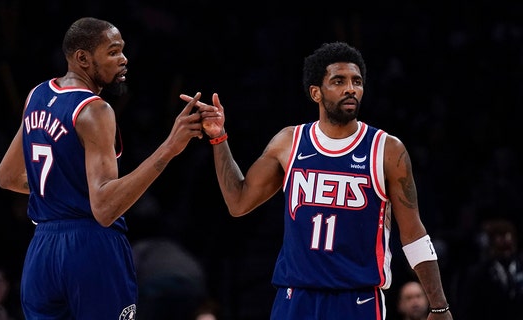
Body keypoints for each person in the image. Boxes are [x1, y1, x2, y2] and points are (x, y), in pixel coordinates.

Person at [182, 41, 452, 319]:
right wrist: (218, 138)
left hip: (356, 298)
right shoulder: (289, 142)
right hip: (294, 297)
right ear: (316, 93)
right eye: (339, 81)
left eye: (356, 81)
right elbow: (238, 202)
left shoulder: (387, 149)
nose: (351, 88)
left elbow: (413, 233)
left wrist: (439, 305)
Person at [0, 17, 211, 319]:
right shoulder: (95, 110)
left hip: (42, 248)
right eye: (112, 52)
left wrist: (63, 192)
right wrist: (170, 148)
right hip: (90, 246)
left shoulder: (37, 96)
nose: (124, 59)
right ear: (83, 58)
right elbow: (105, 208)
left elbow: (7, 176)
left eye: (122, 51)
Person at [456, 218, 523, 319]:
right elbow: (468, 308)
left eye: (509, 245)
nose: (506, 250)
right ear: (490, 244)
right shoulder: (478, 274)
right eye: (501, 246)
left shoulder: (520, 266)